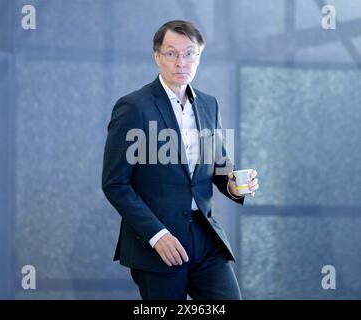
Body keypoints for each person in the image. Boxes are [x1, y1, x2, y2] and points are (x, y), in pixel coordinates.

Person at [102, 20, 259, 300]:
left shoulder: (209, 104)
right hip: (158, 243)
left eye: (189, 54)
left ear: (199, 57)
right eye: (172, 53)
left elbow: (218, 165)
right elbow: (115, 184)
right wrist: (156, 235)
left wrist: (234, 185)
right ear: (157, 56)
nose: (181, 62)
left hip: (205, 237)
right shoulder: (133, 107)